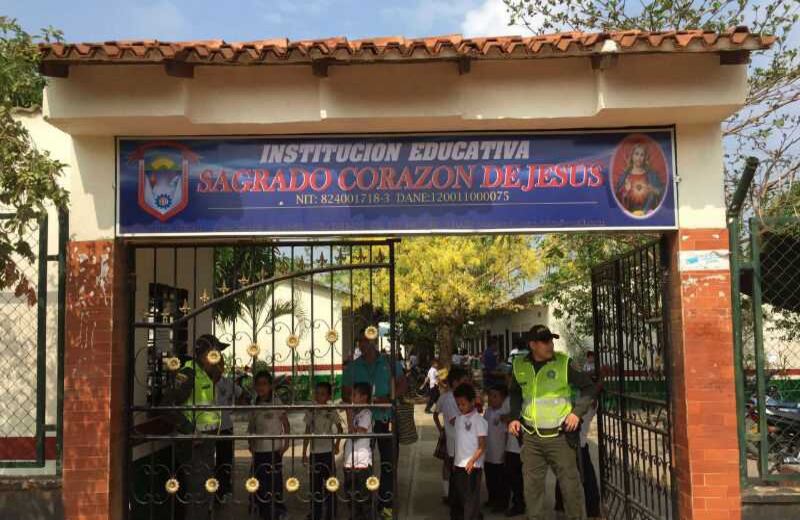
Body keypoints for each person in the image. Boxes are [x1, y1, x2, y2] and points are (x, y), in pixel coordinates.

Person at [508, 325, 598, 520]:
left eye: (551, 340)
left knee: (570, 488)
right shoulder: (519, 365)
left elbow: (589, 388)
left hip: (560, 438)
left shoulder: (564, 363)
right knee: (532, 491)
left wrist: (577, 413)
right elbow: (515, 392)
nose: (550, 345)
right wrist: (514, 417)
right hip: (531, 438)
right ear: (532, 345)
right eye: (545, 341)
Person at [342, 328, 408, 519]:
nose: (362, 344)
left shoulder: (389, 363)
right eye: (359, 342)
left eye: (365, 340)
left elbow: (403, 384)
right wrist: (360, 401)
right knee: (360, 462)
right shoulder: (353, 367)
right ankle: (362, 503)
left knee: (388, 462)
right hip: (363, 421)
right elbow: (345, 392)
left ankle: (385, 503)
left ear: (374, 341)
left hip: (385, 419)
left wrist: (389, 397)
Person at [163, 334, 227, 520]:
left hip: (207, 441)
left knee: (205, 489)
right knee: (197, 492)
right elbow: (168, 405)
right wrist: (190, 430)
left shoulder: (206, 373)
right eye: (215, 353)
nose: (219, 358)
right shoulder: (189, 373)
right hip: (194, 443)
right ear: (203, 354)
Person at [248, 371, 290, 520]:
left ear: (271, 385)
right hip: (259, 451)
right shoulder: (255, 403)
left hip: (274, 450)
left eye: (264, 384)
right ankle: (261, 508)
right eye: (258, 384)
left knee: (275, 481)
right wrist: (250, 443)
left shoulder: (276, 402)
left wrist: (286, 443)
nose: (261, 387)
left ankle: (279, 510)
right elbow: (251, 425)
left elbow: (285, 423)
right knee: (258, 480)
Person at [303, 381, 343, 520]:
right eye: (317, 393)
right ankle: (315, 513)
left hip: (327, 453)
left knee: (330, 484)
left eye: (322, 394)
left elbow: (340, 429)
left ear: (328, 396)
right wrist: (304, 453)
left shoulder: (331, 410)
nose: (319, 396)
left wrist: (337, 445)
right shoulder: (311, 410)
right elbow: (307, 431)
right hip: (314, 453)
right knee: (315, 486)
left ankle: (331, 513)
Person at [451, 383, 488, 520]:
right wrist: (456, 461)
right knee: (462, 497)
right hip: (459, 464)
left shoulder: (479, 421)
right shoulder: (459, 419)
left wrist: (472, 461)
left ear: (472, 401)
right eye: (458, 404)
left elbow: (482, 445)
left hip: (473, 466)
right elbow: (459, 443)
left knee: (471, 499)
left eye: (463, 404)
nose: (460, 407)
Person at [433, 366, 470, 505]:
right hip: (455, 442)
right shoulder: (449, 399)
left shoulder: (460, 397)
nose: (467, 383)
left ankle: (455, 497)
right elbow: (456, 421)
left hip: (461, 442)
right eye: (464, 381)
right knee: (453, 470)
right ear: (455, 382)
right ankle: (452, 497)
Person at [214, 356, 244, 500]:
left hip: (225, 427)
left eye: (220, 365)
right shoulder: (203, 382)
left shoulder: (227, 383)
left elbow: (243, 395)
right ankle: (211, 491)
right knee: (208, 461)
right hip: (207, 429)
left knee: (225, 460)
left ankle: (223, 489)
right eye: (215, 364)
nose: (218, 367)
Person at [343, 382, 374, 520]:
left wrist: (349, 415)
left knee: (363, 495)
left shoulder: (366, 414)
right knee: (351, 494)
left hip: (361, 462)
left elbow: (355, 436)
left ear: (364, 397)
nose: (351, 397)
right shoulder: (356, 413)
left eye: (354, 395)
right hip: (350, 462)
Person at [614, 142, 664, 216]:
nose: (639, 158)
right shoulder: (625, 176)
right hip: (628, 217)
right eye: (636, 154)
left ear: (645, 158)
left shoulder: (652, 175)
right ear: (632, 156)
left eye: (642, 155)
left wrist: (654, 190)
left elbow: (663, 194)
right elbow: (616, 198)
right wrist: (626, 190)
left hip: (649, 215)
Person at [483, 385, 510, 513]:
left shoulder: (503, 415)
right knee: (490, 479)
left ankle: (501, 503)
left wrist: (505, 451)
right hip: (488, 453)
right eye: (490, 395)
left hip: (499, 454)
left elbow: (506, 434)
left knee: (500, 480)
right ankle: (492, 499)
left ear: (503, 398)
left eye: (495, 396)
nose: (491, 398)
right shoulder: (487, 412)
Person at [503, 398, 526, 517]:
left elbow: (505, 417)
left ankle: (520, 504)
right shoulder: (510, 400)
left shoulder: (528, 397)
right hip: (512, 447)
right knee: (513, 478)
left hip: (524, 447)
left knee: (522, 479)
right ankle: (518, 503)